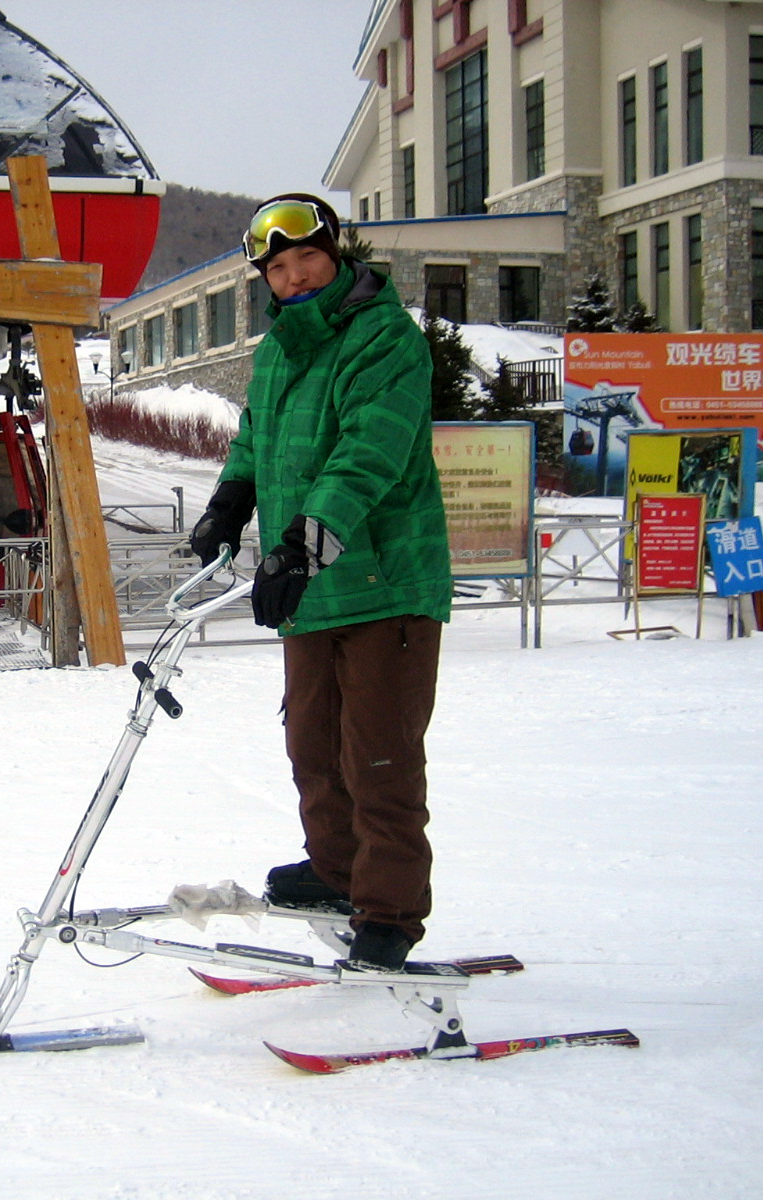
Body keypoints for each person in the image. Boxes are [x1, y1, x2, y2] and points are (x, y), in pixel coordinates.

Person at [188, 194, 451, 971]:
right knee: (312, 743)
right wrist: (230, 503)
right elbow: (256, 441)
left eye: (306, 258)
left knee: (378, 753)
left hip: (384, 583)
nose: (295, 275)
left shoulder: (385, 338)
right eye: (277, 266)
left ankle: (391, 910)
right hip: (312, 586)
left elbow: (369, 450)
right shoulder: (277, 352)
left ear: (335, 253)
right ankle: (337, 870)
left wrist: (304, 544)